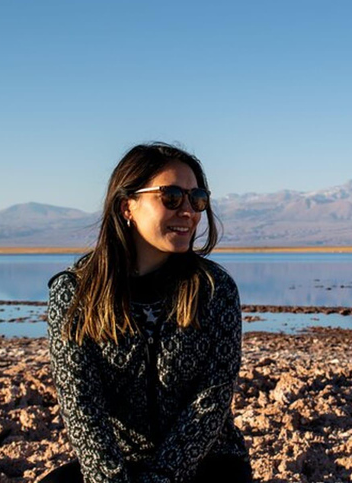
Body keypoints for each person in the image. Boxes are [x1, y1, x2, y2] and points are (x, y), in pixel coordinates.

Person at [39, 142, 252, 483]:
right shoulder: (75, 293)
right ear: (127, 206)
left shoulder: (215, 289)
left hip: (207, 462)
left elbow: (211, 401)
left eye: (196, 198)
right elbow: (80, 405)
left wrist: (162, 477)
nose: (189, 211)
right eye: (171, 197)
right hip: (119, 464)